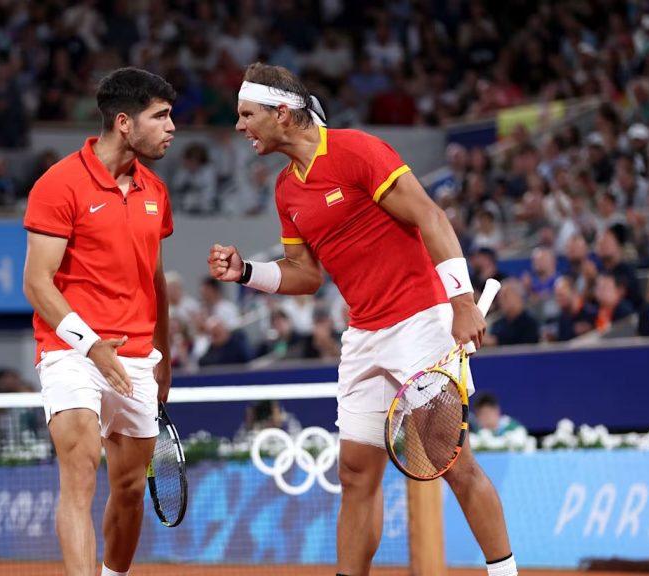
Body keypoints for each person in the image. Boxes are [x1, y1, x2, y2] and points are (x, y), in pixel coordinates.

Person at [208, 63, 516, 576]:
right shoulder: (286, 190)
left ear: (282, 114)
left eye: (247, 115)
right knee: (354, 473)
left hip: (420, 321)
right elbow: (305, 275)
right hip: (364, 335)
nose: (239, 126)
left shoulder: (356, 150)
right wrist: (247, 273)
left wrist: (462, 301)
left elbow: (430, 216)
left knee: (452, 462)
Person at [21, 67, 176, 576]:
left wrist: (164, 362)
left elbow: (154, 284)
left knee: (129, 490)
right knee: (81, 467)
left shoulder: (156, 190)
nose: (171, 127)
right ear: (125, 123)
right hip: (72, 353)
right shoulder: (59, 183)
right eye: (161, 116)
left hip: (135, 359)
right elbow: (37, 284)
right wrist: (90, 346)